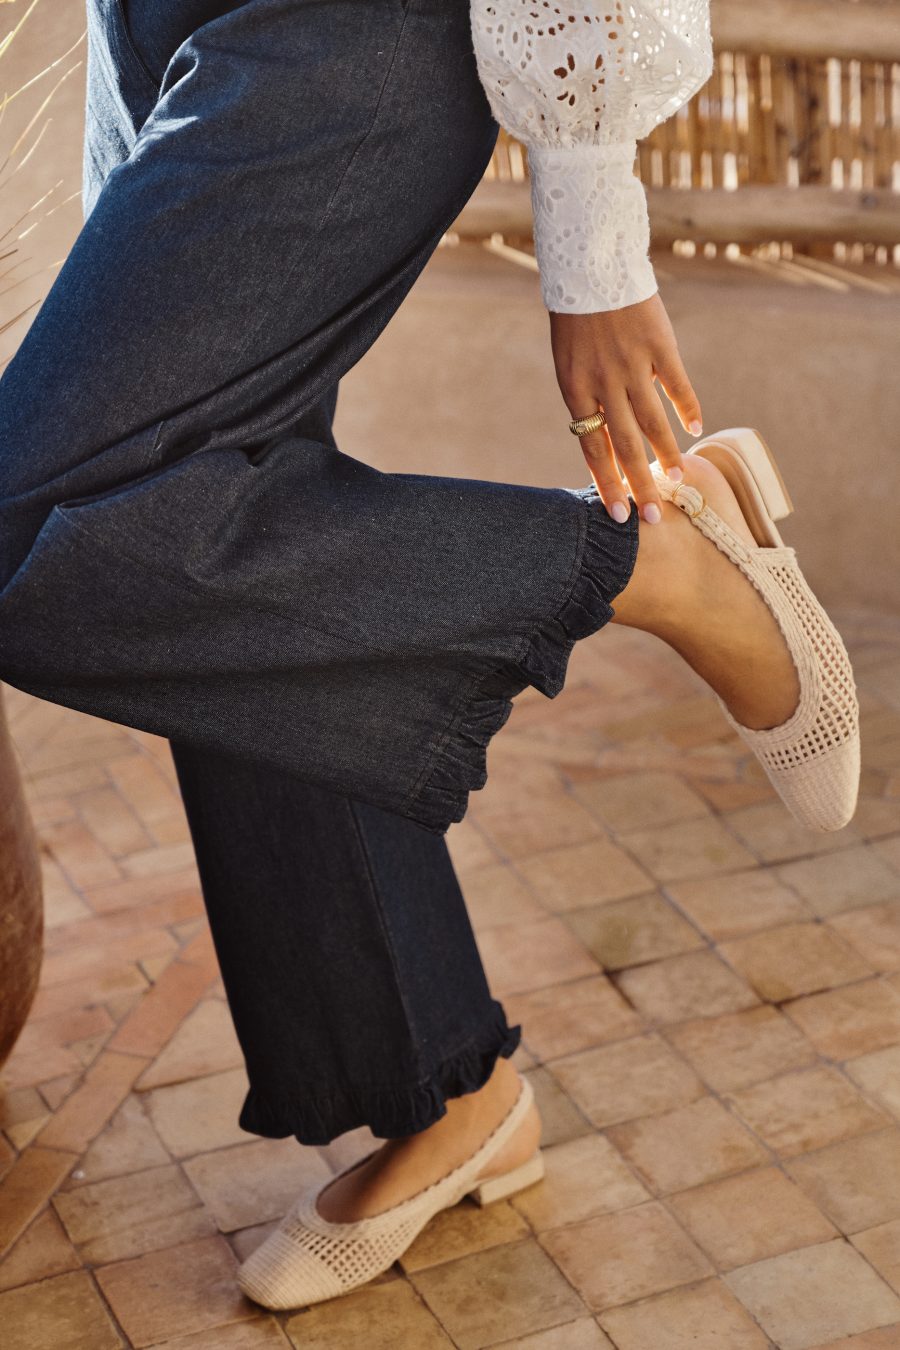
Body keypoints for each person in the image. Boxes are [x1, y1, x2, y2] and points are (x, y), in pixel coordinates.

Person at [0, 0, 858, 1310]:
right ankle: (442, 1088)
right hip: (156, 29)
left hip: (343, 31)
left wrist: (591, 219)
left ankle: (649, 563)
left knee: (30, 529)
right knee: (211, 516)